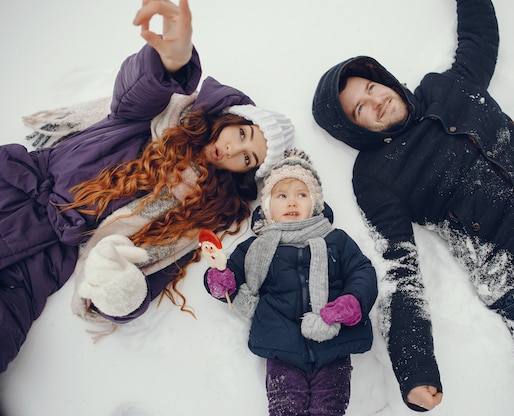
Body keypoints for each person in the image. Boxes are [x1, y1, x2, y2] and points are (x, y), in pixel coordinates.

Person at [311, 0, 514, 415]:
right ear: (354, 129)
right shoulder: (376, 175)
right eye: (359, 109)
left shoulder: (448, 86)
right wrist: (415, 369)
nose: (375, 101)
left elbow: (478, 36)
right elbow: (399, 270)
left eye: (371, 88)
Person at [0, 0, 295, 372]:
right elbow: (134, 92)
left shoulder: (195, 219)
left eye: (248, 158)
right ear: (229, 119)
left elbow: (149, 279)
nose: (234, 149)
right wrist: (171, 62)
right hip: (14, 182)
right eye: (242, 133)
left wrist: (118, 287)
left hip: (40, 262)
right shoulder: (149, 121)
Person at [204, 149, 378, 416]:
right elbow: (230, 275)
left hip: (334, 345)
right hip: (281, 349)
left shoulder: (336, 240)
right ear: (267, 206)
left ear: (315, 204)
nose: (292, 202)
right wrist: (221, 279)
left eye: (302, 194)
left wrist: (352, 301)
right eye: (282, 196)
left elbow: (362, 272)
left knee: (329, 409)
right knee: (285, 410)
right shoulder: (255, 248)